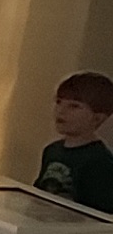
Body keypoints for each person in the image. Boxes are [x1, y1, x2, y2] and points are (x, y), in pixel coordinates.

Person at [38, 72, 113, 212]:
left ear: (97, 118)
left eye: (74, 106)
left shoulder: (100, 161)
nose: (61, 111)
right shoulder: (51, 150)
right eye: (59, 102)